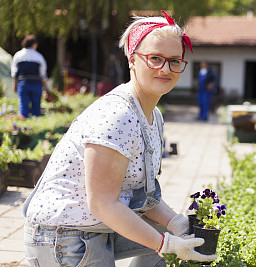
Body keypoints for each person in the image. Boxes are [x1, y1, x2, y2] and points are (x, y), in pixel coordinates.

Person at [22, 11, 217, 266]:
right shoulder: (118, 114)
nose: (165, 69)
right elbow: (103, 203)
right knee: (164, 243)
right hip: (64, 235)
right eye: (155, 58)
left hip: (98, 228)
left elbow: (139, 195)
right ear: (132, 60)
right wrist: (166, 244)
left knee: (171, 238)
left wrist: (176, 224)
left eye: (174, 61)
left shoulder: (153, 116)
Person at [11, 34, 47, 118]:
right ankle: (36, 124)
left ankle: (24, 125)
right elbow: (43, 73)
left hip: (23, 82)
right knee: (36, 105)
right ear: (34, 44)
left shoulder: (18, 55)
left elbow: (14, 72)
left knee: (23, 104)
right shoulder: (38, 56)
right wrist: (45, 87)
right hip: (36, 83)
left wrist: (14, 85)